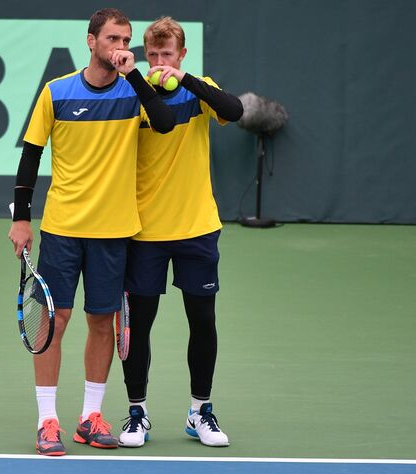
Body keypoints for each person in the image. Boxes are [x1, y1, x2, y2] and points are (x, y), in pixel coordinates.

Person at [8, 8, 174, 457]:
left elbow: (163, 122)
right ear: (90, 41)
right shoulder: (56, 92)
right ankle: (47, 422)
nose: (121, 48)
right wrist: (22, 218)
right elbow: (30, 157)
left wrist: (136, 76)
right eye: (113, 39)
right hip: (63, 229)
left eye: (127, 41)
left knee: (102, 322)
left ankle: (90, 417)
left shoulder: (134, 93)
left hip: (115, 231)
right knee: (54, 324)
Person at [118, 16, 244, 448]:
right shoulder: (133, 92)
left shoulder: (198, 88)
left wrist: (185, 79)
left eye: (166, 55)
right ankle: (137, 413)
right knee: (140, 326)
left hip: (197, 228)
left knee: (202, 321)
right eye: (151, 55)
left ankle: (199, 411)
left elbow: (235, 111)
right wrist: (142, 80)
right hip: (145, 231)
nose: (158, 63)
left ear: (182, 55)